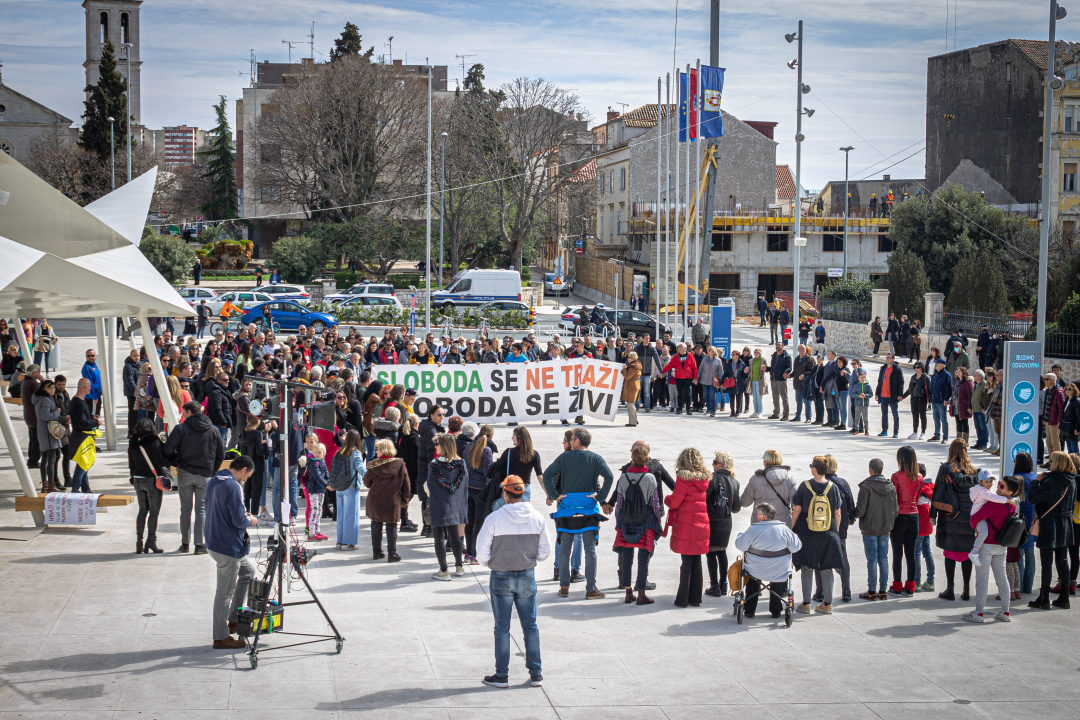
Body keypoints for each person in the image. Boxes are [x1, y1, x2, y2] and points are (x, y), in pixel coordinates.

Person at [476, 475, 551, 689]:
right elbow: (545, 551)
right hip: (527, 574)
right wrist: (529, 560)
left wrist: (491, 562)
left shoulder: (494, 518)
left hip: (501, 575)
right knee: (530, 625)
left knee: (501, 627)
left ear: (505, 493)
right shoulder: (537, 518)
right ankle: (536, 673)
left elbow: (481, 552)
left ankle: (502, 675)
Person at [542, 428, 614, 599]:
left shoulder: (564, 457)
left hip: (567, 508)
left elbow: (547, 475)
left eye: (572, 439)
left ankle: (565, 586)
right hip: (588, 508)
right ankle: (591, 588)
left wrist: (554, 495)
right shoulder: (596, 458)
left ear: (577, 441)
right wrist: (601, 497)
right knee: (590, 549)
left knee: (565, 547)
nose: (570, 441)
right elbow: (609, 477)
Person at [204, 455, 257, 650]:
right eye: (249, 474)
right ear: (243, 469)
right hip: (227, 546)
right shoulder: (233, 486)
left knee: (248, 573)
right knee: (224, 592)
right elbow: (239, 520)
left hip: (213, 540)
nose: (248, 478)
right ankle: (220, 636)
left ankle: (234, 619)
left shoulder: (215, 480)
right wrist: (251, 521)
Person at [163, 401, 225, 554]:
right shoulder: (213, 430)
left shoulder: (181, 429)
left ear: (189, 412)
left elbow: (167, 449)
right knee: (201, 510)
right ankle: (199, 544)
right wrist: (212, 470)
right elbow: (221, 454)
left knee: (185, 509)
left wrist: (176, 462)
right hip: (205, 475)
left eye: (184, 412)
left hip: (185, 472)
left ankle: (185, 543)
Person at [609, 444, 663, 605]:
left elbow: (619, 503)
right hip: (645, 523)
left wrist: (618, 522)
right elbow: (654, 503)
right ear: (646, 459)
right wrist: (658, 521)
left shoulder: (624, 477)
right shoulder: (650, 478)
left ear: (632, 458)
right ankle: (641, 594)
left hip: (626, 522)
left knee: (626, 557)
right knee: (643, 557)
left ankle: (627, 593)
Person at [791, 456, 845, 614]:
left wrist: (791, 527)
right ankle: (827, 604)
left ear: (814, 469)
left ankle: (806, 604)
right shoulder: (833, 487)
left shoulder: (805, 486)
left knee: (807, 567)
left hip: (807, 532)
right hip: (828, 533)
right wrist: (835, 531)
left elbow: (797, 509)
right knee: (826, 568)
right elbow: (837, 512)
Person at [964, 475, 1021, 622]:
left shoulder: (993, 504)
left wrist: (976, 528)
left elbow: (974, 519)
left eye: (1002, 486)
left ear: (1010, 492)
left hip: (986, 545)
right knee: (1002, 578)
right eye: (999, 483)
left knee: (982, 579)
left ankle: (978, 613)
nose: (998, 486)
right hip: (1002, 546)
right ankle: (1006, 612)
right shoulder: (1012, 504)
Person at [734, 503, 802, 618]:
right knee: (777, 577)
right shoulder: (784, 529)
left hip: (756, 569)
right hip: (779, 570)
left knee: (752, 578)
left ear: (764, 517)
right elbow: (796, 547)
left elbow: (741, 546)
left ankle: (750, 609)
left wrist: (740, 536)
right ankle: (776, 610)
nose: (756, 516)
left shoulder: (753, 529)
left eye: (757, 514)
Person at [1027, 452, 1077, 610]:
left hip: (1050, 523)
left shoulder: (1051, 481)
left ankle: (1044, 599)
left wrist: (1035, 483)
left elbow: (1033, 498)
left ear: (1058, 463)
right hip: (1066, 523)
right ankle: (1064, 598)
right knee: (1063, 561)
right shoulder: (1072, 480)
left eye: (1052, 461)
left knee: (1047, 563)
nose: (1050, 463)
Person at [930, 439, 978, 601]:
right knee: (966, 554)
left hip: (950, 517)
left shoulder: (946, 468)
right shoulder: (973, 471)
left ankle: (950, 589)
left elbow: (937, 491)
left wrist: (933, 515)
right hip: (969, 518)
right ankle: (966, 590)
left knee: (950, 553)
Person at [665, 447, 711, 608]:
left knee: (686, 562)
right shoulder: (704, 479)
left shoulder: (683, 478)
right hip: (702, 523)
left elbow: (676, 501)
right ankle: (695, 598)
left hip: (687, 523)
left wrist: (667, 499)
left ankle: (682, 599)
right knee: (697, 561)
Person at [854, 458, 898, 600]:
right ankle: (883, 590)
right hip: (885, 528)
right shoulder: (891, 486)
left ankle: (872, 591)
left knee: (872, 560)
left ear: (870, 470)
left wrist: (852, 514)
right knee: (883, 559)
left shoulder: (866, 487)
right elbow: (896, 509)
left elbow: (860, 511)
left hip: (870, 528)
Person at [428, 433, 469, 581]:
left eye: (437, 443)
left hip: (439, 504)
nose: (435, 446)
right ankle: (459, 566)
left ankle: (444, 569)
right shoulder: (461, 464)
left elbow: (430, 486)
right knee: (455, 536)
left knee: (439, 536)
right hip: (456, 504)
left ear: (444, 445)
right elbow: (464, 485)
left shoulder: (434, 465)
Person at [365, 438, 410, 562]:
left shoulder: (373, 465)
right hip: (393, 499)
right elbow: (406, 484)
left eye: (377, 449)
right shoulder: (400, 464)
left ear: (383, 450)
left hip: (375, 499)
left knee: (376, 525)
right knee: (391, 527)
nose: (376, 451)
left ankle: (377, 552)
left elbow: (367, 483)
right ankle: (392, 553)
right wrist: (405, 500)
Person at [128, 417, 169, 554]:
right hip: (151, 480)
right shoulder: (154, 440)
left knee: (142, 511)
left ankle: (139, 541)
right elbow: (159, 461)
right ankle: (151, 541)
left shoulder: (133, 441)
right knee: (154, 512)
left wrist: (133, 476)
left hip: (138, 479)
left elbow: (131, 463)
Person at [704, 451, 742, 597]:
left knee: (711, 552)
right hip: (726, 520)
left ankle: (714, 586)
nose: (712, 464)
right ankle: (723, 584)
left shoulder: (713, 478)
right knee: (722, 552)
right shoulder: (735, 481)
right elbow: (736, 507)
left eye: (715, 462)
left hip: (713, 519)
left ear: (721, 465)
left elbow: (704, 497)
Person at [889, 446, 923, 596]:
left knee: (897, 553)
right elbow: (917, 497)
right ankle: (910, 586)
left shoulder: (896, 476)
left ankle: (897, 585)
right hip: (914, 515)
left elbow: (894, 498)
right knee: (911, 553)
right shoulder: (919, 476)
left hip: (900, 516)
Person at [741, 449, 796, 526]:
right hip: (782, 524)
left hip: (760, 523)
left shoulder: (755, 479)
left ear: (766, 462)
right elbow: (796, 503)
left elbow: (744, 502)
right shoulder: (789, 479)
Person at [331, 430, 366, 551]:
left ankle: (340, 541)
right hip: (351, 485)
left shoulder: (340, 451)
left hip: (339, 486)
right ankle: (349, 542)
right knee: (351, 515)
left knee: (341, 515)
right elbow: (360, 468)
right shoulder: (355, 452)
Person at [68, 378, 99, 493]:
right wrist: (96, 422)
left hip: (79, 437)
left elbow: (80, 419)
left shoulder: (77, 401)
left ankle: (85, 488)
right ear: (84, 387)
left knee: (84, 463)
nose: (91, 388)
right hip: (81, 438)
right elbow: (82, 424)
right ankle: (75, 489)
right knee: (82, 465)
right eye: (89, 386)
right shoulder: (79, 403)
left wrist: (91, 417)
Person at [32, 380, 62, 493]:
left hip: (42, 431)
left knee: (44, 459)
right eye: (50, 388)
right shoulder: (46, 400)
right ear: (44, 388)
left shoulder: (39, 398)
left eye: (53, 387)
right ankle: (50, 485)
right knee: (51, 460)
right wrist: (57, 412)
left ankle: (45, 484)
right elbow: (46, 416)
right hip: (49, 433)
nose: (52, 390)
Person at [661, 343, 697, 415]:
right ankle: (679, 409)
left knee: (687, 393)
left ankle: (688, 409)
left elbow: (694, 367)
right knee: (679, 393)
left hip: (687, 377)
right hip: (678, 378)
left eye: (681, 347)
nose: (679, 348)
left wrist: (695, 378)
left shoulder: (690, 356)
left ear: (685, 348)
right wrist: (662, 372)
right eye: (678, 347)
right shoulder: (676, 356)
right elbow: (670, 365)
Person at [875, 353, 903, 438]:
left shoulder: (897, 369)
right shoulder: (883, 369)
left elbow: (900, 383)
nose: (887, 360)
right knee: (884, 414)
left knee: (895, 414)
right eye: (886, 358)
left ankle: (896, 432)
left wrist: (900, 394)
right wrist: (877, 393)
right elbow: (879, 382)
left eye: (889, 358)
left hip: (892, 395)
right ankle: (884, 430)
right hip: (883, 395)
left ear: (893, 359)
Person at [901, 362, 930, 440]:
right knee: (915, 415)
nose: (916, 369)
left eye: (917, 367)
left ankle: (923, 432)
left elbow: (929, 389)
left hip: (922, 398)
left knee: (923, 416)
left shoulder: (925, 377)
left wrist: (929, 399)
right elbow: (910, 389)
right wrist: (903, 396)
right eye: (915, 367)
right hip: (914, 398)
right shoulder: (913, 377)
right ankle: (915, 432)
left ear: (921, 368)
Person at [22, 364, 42, 468]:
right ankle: (34, 460)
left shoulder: (26, 381)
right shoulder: (33, 384)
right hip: (34, 415)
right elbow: (45, 391)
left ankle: (32, 459)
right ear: (34, 373)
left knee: (33, 438)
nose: (39, 374)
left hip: (29, 414)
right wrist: (42, 380)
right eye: (38, 372)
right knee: (36, 439)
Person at [928, 357, 953, 443]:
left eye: (937, 364)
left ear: (942, 365)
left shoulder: (946, 375)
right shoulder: (935, 374)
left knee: (943, 419)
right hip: (935, 400)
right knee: (936, 418)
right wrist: (930, 398)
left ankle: (945, 436)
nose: (935, 365)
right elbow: (931, 387)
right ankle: (937, 435)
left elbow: (948, 389)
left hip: (942, 401)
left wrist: (946, 399)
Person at [768, 342, 791, 420]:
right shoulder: (774, 356)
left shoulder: (786, 357)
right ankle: (776, 413)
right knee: (775, 397)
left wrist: (786, 372)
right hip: (773, 379)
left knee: (784, 397)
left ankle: (785, 415)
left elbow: (789, 367)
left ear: (783, 347)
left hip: (781, 379)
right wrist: (767, 369)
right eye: (777, 345)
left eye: (779, 345)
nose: (777, 346)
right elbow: (772, 367)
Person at [850, 368, 872, 436]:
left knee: (865, 418)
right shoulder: (856, 386)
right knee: (857, 418)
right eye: (860, 377)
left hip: (865, 404)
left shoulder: (867, 385)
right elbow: (852, 394)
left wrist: (865, 396)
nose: (861, 379)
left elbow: (871, 394)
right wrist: (858, 396)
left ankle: (866, 430)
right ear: (858, 378)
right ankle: (856, 429)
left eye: (863, 377)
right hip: (857, 404)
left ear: (865, 378)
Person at [622, 352, 642, 426]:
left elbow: (627, 376)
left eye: (629, 357)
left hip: (632, 386)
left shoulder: (633, 366)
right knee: (631, 403)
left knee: (630, 404)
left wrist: (624, 369)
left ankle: (632, 422)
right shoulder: (636, 364)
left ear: (633, 358)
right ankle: (635, 419)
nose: (628, 358)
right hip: (634, 385)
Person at [81, 349, 102, 416]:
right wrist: (94, 396)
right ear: (86, 357)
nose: (90, 357)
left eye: (92, 355)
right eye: (88, 356)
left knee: (97, 416)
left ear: (95, 356)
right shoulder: (87, 368)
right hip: (91, 397)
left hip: (97, 395)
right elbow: (89, 384)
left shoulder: (94, 366)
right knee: (93, 417)